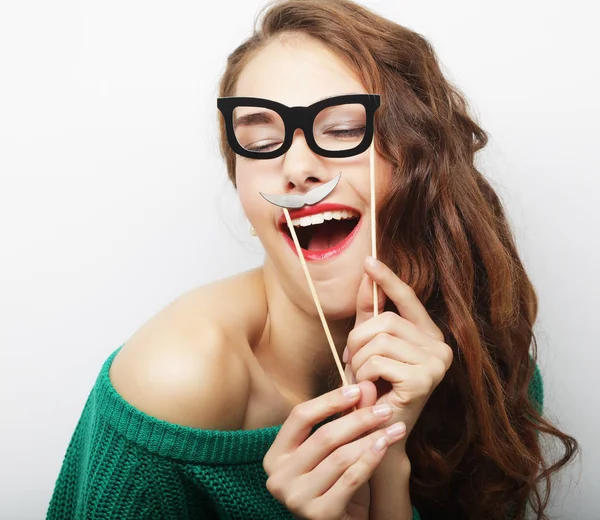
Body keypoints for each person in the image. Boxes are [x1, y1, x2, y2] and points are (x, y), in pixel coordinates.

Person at [46, 1, 579, 519]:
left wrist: (386, 476)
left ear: (424, 159)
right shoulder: (175, 382)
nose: (297, 167)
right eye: (261, 138)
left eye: (345, 129)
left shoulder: (484, 350)